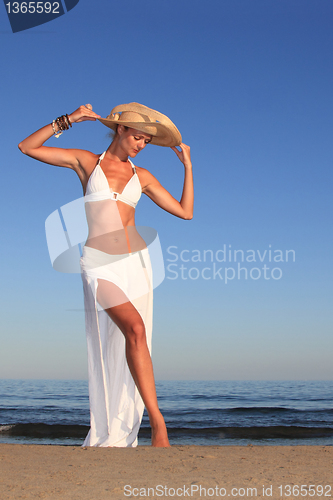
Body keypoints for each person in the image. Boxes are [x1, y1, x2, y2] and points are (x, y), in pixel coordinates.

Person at [18, 102, 193, 448]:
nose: (142, 144)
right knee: (136, 328)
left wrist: (188, 166)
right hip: (98, 264)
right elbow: (27, 147)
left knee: (137, 338)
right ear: (121, 130)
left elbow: (185, 212)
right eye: (138, 137)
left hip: (136, 265)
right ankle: (159, 425)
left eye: (146, 140)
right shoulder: (88, 162)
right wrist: (69, 119)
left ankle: (145, 422)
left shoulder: (142, 177)